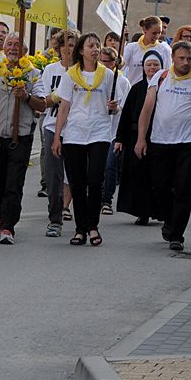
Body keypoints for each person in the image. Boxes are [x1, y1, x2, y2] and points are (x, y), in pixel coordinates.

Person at [135, 41, 191, 251]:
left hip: (189, 142)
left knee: (183, 188)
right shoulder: (160, 77)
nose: (185, 62)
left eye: (189, 59)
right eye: (181, 58)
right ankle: (168, 220)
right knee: (161, 186)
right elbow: (147, 109)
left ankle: (177, 235)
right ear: (173, 58)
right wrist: (141, 138)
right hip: (161, 140)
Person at [51, 33, 124, 247]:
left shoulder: (107, 74)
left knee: (95, 180)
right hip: (74, 134)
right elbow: (64, 107)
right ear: (81, 50)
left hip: (99, 133)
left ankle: (93, 226)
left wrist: (114, 107)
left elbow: (115, 107)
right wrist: (57, 137)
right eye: (90, 46)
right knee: (77, 183)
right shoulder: (71, 75)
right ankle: (80, 229)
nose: (95, 49)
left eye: (97, 45)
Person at [0, 33, 46, 244]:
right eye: (10, 44)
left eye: (17, 44)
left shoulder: (33, 74)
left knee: (14, 183)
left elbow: (42, 105)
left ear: (24, 50)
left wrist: (26, 97)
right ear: (4, 49)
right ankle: (0, 216)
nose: (13, 48)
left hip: (20, 137)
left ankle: (8, 226)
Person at [115, 50, 164, 224]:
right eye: (149, 65)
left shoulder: (166, 87)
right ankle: (142, 212)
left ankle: (159, 211)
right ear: (143, 67)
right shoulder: (136, 88)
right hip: (136, 137)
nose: (152, 68)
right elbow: (126, 115)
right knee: (138, 175)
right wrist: (120, 139)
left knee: (158, 176)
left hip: (159, 136)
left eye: (156, 65)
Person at [41, 30, 77, 237]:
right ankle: (55, 219)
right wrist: (59, 94)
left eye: (72, 45)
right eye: (65, 45)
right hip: (52, 126)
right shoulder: (50, 70)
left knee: (75, 175)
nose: (68, 49)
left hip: (76, 130)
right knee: (54, 177)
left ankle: (81, 219)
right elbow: (44, 101)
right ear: (58, 48)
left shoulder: (82, 71)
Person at [100, 47, 130, 215]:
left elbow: (126, 108)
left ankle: (107, 200)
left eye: (107, 61)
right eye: (101, 61)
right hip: (97, 129)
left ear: (114, 63)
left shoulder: (122, 82)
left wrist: (116, 108)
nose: (103, 64)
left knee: (110, 165)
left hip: (114, 131)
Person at [123, 15, 172, 85]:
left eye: (159, 33)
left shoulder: (165, 48)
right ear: (144, 30)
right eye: (154, 33)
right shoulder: (131, 47)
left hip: (155, 89)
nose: (157, 36)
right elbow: (121, 67)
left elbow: (168, 73)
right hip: (134, 88)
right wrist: (122, 40)